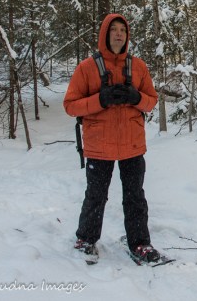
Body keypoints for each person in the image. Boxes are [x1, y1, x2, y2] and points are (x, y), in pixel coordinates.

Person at [64, 13, 160, 263]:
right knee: (96, 195)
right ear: (105, 34)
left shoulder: (138, 66)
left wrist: (136, 97)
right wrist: (100, 100)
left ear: (127, 36)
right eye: (114, 29)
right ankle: (86, 239)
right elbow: (71, 105)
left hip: (132, 144)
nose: (119, 34)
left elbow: (152, 101)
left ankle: (139, 244)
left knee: (135, 196)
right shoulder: (87, 68)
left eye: (123, 30)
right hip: (99, 145)